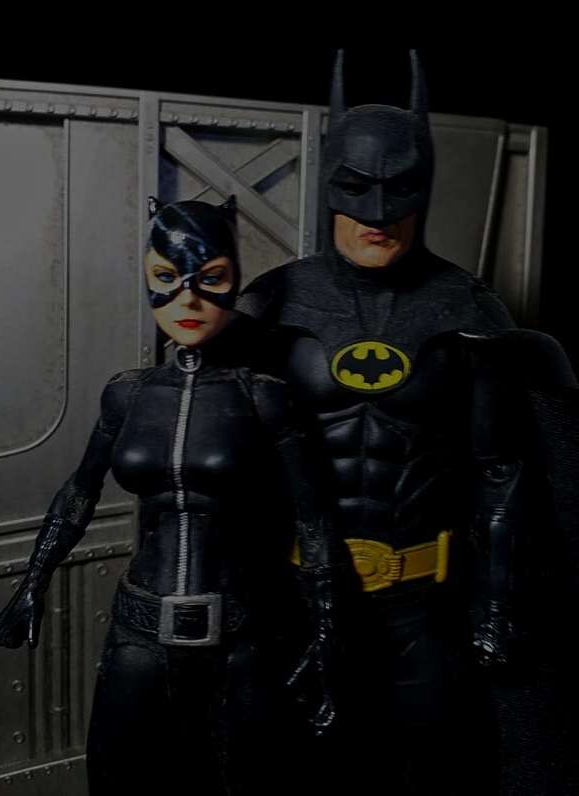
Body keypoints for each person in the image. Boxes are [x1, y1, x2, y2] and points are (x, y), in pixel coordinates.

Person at [238, 51, 579, 794]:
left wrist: (498, 608)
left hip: (425, 609)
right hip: (302, 602)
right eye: (356, 187)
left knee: (431, 777)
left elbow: (501, 469)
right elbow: (230, 464)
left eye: (399, 190)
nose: (377, 213)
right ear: (329, 182)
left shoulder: (465, 306)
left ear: (426, 187)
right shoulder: (272, 306)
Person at [0, 197, 341, 796]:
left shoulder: (265, 396)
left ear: (234, 279)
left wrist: (328, 635)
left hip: (242, 634)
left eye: (211, 278)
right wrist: (32, 583)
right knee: (120, 779)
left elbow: (314, 521)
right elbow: (79, 491)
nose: (188, 300)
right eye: (167, 277)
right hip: (139, 629)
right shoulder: (127, 394)